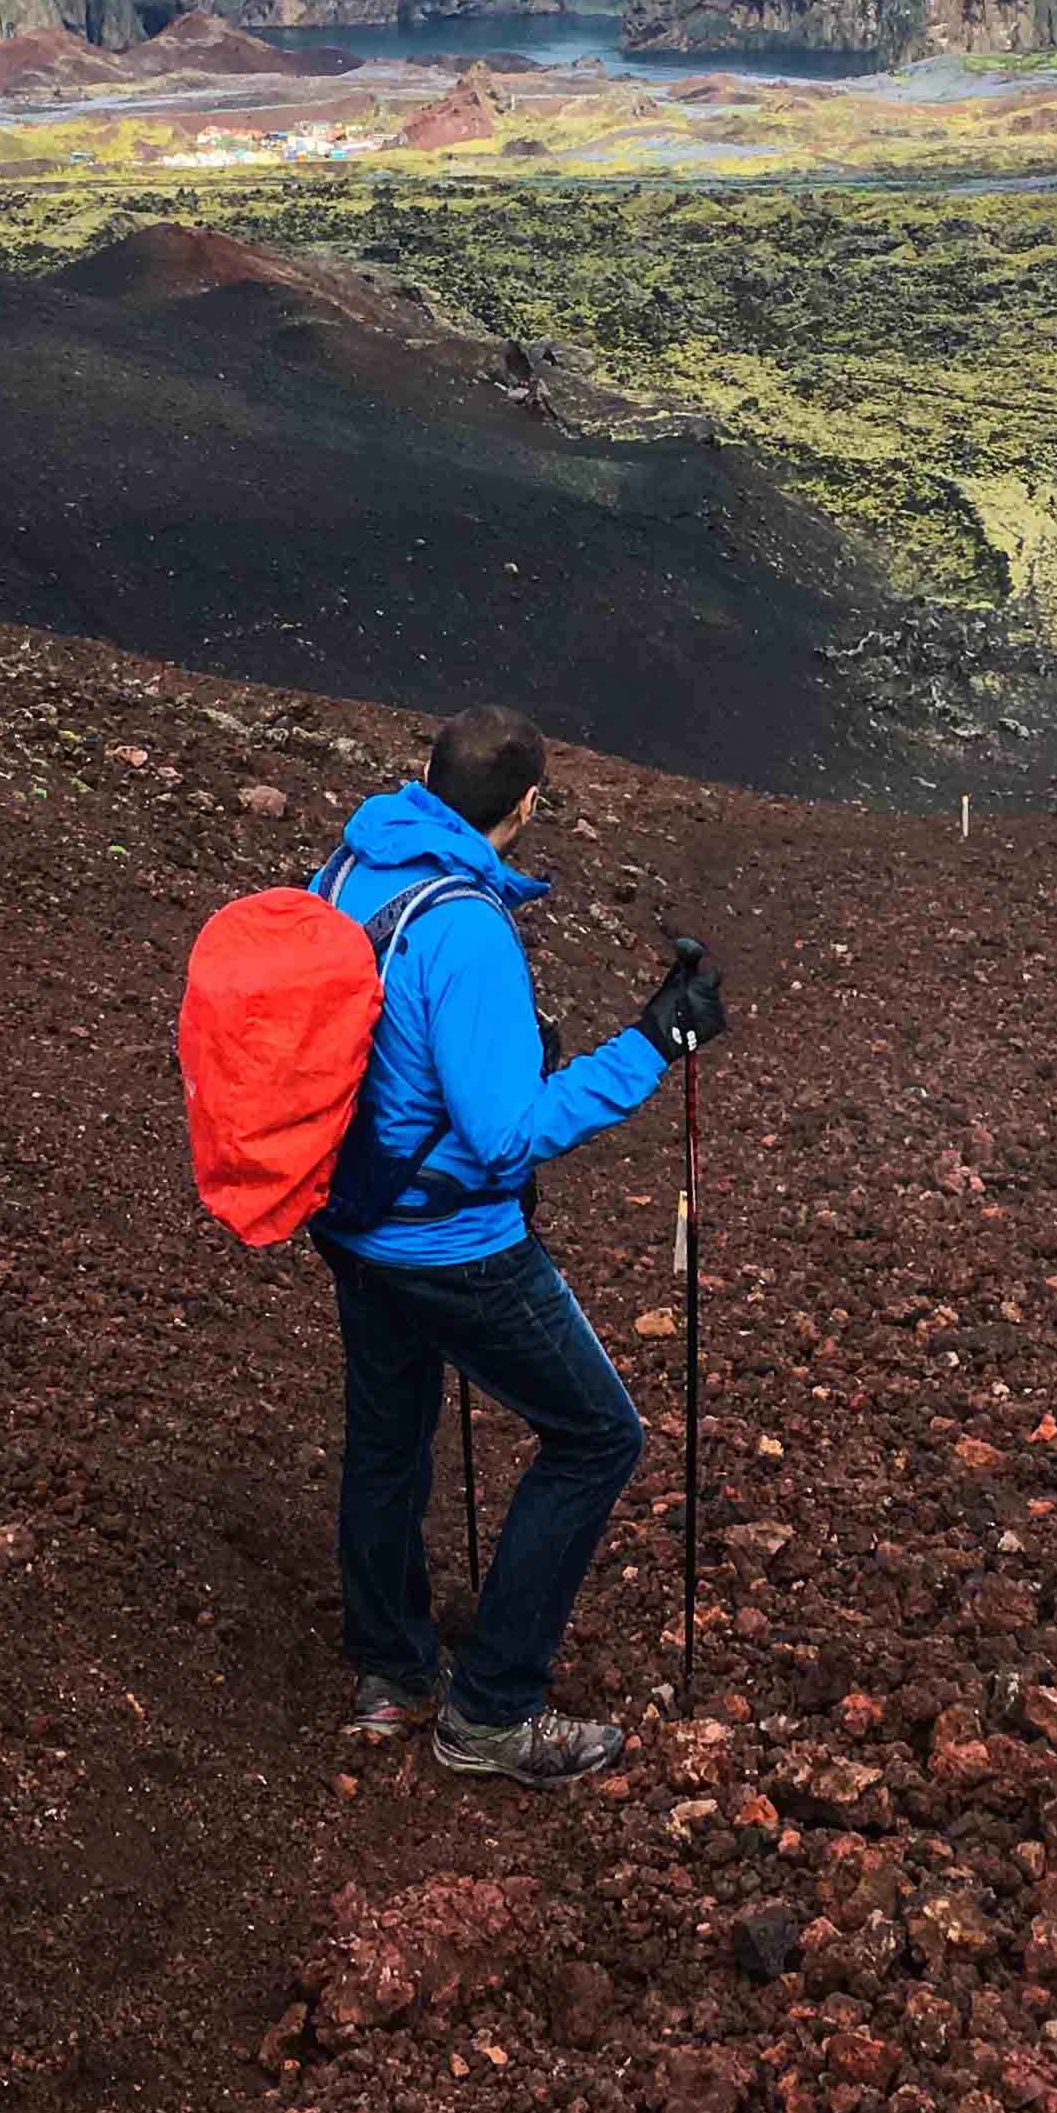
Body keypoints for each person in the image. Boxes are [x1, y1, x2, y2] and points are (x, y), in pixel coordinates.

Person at [306, 704, 724, 1785]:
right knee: (596, 1435)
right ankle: (491, 1709)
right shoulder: (465, 925)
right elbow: (505, 1131)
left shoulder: (352, 868)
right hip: (454, 1242)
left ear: (427, 780)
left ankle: (391, 1674)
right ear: (525, 807)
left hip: (356, 1224)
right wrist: (650, 1043)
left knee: (386, 1437)